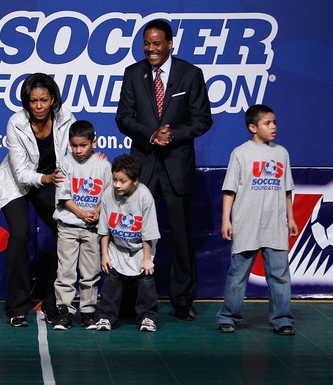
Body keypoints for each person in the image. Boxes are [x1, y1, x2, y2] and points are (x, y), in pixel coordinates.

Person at [115, 19, 212, 320]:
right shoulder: (133, 73)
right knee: (131, 233)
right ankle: (130, 299)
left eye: (157, 43)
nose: (151, 49)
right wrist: (151, 135)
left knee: (181, 236)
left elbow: (202, 119)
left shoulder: (190, 74)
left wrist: (174, 134)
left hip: (176, 166)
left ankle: (182, 301)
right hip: (142, 165)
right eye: (147, 43)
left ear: (170, 44)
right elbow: (123, 118)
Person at [0, 73, 76, 327]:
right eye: (33, 101)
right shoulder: (16, 122)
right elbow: (20, 172)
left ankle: (51, 302)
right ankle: (17, 307)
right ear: (26, 102)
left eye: (43, 100)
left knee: (67, 231)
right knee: (19, 235)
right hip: (19, 183)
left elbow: (75, 152)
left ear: (53, 99)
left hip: (51, 180)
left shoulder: (66, 119)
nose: (38, 106)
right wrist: (46, 178)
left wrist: (96, 158)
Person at [216, 104, 297, 336]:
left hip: (275, 225)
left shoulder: (281, 153)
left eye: (274, 122)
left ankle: (282, 320)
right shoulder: (240, 153)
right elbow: (229, 190)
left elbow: (287, 190)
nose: (273, 127)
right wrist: (226, 219)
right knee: (238, 274)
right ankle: (228, 316)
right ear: (253, 127)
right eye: (267, 123)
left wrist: (290, 218)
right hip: (247, 223)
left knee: (280, 275)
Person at [51, 120, 111, 330]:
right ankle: (65, 311)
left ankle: (88, 311)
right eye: (74, 145)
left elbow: (109, 194)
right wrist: (82, 213)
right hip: (68, 226)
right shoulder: (66, 164)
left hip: (93, 229)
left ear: (94, 142)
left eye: (83, 145)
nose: (78, 150)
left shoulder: (103, 165)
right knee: (65, 271)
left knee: (90, 272)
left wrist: (98, 211)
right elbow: (63, 197)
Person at [95, 154, 160, 332]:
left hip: (141, 247)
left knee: (146, 280)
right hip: (117, 247)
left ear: (135, 181)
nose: (117, 185)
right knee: (111, 278)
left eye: (122, 181)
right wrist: (105, 255)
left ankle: (147, 317)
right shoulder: (108, 194)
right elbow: (103, 229)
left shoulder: (144, 196)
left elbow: (149, 231)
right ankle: (107, 317)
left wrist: (147, 259)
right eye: (114, 179)